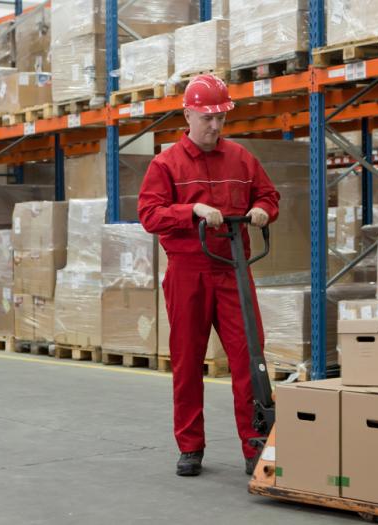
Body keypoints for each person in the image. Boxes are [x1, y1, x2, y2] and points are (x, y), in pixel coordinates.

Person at [138, 74, 280, 477]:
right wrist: (192, 211)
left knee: (249, 359)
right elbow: (149, 215)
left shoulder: (241, 159)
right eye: (206, 118)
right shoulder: (166, 164)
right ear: (188, 115)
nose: (214, 127)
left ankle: (256, 446)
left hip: (235, 270)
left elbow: (268, 195)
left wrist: (263, 211)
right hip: (189, 273)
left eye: (220, 119)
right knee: (187, 362)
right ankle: (190, 446)